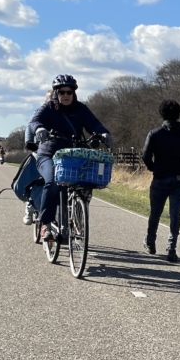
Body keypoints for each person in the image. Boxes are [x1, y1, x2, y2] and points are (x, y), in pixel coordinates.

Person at [27, 74, 112, 238]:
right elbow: (34, 121)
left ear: (74, 93)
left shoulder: (80, 109)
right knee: (53, 181)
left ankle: (77, 216)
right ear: (56, 93)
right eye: (62, 92)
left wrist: (103, 133)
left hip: (72, 155)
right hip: (48, 155)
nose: (66, 95)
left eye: (69, 92)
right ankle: (46, 224)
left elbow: (94, 124)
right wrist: (39, 129)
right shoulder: (49, 108)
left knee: (86, 183)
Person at [141, 100, 180, 262]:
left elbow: (145, 155)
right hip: (179, 178)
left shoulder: (155, 133)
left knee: (155, 212)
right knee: (175, 214)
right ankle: (171, 248)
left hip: (160, 177)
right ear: (178, 114)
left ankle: (150, 241)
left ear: (162, 114)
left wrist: (153, 167)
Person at [23, 88, 53, 225]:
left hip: (58, 150)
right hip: (40, 149)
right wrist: (29, 142)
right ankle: (30, 205)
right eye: (50, 98)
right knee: (39, 179)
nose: (53, 100)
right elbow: (30, 125)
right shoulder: (41, 111)